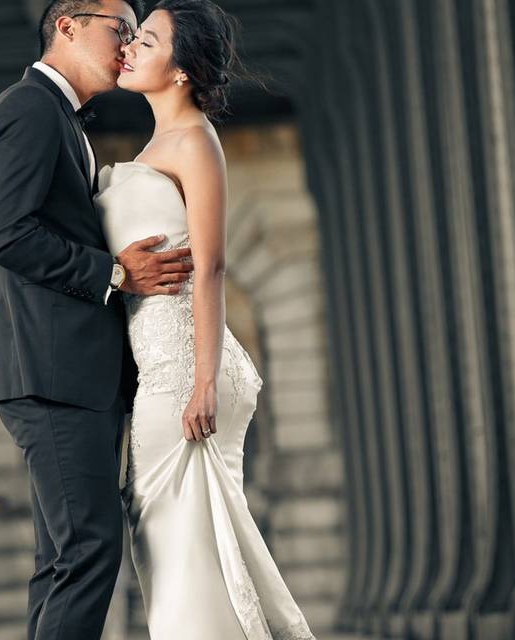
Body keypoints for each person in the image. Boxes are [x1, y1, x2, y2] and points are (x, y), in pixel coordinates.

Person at [0, 1, 196, 637]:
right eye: (117, 30)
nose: (127, 45)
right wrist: (115, 273)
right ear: (67, 25)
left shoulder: (56, 115)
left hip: (64, 371)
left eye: (134, 35)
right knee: (90, 548)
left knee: (65, 558)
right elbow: (6, 234)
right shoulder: (30, 108)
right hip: (55, 372)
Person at [95, 1, 316, 637]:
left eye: (148, 39)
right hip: (160, 371)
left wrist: (203, 382)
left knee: (182, 548)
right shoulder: (160, 141)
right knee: (173, 544)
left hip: (185, 374)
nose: (130, 48)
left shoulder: (194, 140)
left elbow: (212, 265)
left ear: (182, 69)